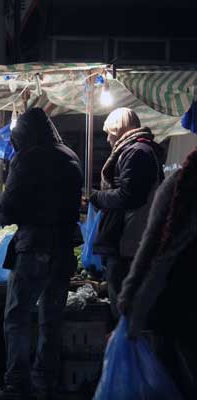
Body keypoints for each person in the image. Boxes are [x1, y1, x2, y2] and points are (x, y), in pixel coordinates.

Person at [0, 108, 83, 400]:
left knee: (17, 316)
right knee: (51, 319)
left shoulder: (28, 158)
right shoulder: (71, 156)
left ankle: (16, 384)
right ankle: (45, 384)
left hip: (35, 246)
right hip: (64, 247)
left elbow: (11, 203)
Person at [117, 148, 197, 398]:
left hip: (176, 298)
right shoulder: (178, 183)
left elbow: (152, 246)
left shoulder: (180, 183)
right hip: (177, 302)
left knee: (174, 374)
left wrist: (130, 297)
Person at [89, 108, 163, 320]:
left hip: (129, 241)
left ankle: (129, 351)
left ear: (118, 129)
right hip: (131, 240)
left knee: (125, 311)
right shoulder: (138, 150)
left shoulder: (136, 152)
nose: (108, 138)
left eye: (109, 132)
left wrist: (97, 197)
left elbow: (130, 196)